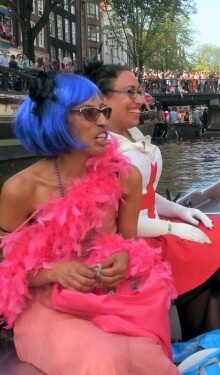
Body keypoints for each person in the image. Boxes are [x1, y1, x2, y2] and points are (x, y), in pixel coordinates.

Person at [0, 72, 179, 374]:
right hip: (50, 304)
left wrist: (123, 256)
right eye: (89, 113)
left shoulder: (126, 177)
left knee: (153, 365)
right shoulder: (20, 190)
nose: (104, 122)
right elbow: (7, 265)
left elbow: (129, 241)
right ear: (57, 118)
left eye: (104, 111)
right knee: (101, 361)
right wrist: (54, 270)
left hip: (111, 296)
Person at [84, 61, 220, 341]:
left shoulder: (134, 137)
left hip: (153, 225)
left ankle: (209, 350)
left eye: (139, 92)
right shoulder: (103, 150)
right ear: (102, 99)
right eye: (130, 92)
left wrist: (179, 210)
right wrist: (174, 228)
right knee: (203, 263)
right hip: (134, 240)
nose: (140, 100)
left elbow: (147, 194)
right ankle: (193, 345)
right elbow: (120, 223)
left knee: (217, 257)